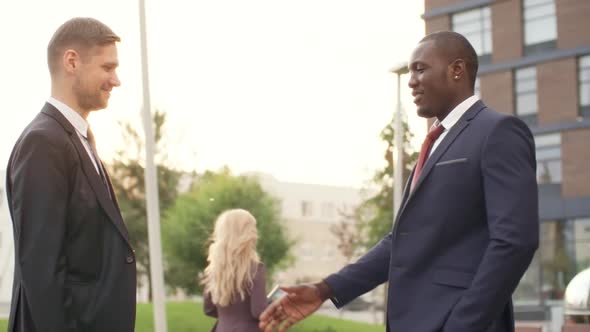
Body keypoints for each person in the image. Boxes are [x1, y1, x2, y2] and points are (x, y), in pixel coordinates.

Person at [259, 31, 539, 332]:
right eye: (409, 71)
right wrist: (325, 289)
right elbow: (402, 242)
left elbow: (515, 242)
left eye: (420, 68)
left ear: (456, 70)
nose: (411, 80)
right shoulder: (435, 143)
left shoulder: (498, 132)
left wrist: (462, 325)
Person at [5, 17, 136, 332]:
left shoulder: (80, 139)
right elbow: (42, 270)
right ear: (72, 61)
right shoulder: (43, 143)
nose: (116, 80)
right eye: (108, 68)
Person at [202, 209, 268, 332]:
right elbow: (259, 312)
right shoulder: (255, 268)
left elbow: (209, 309)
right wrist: (272, 304)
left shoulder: (215, 270)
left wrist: (230, 317)